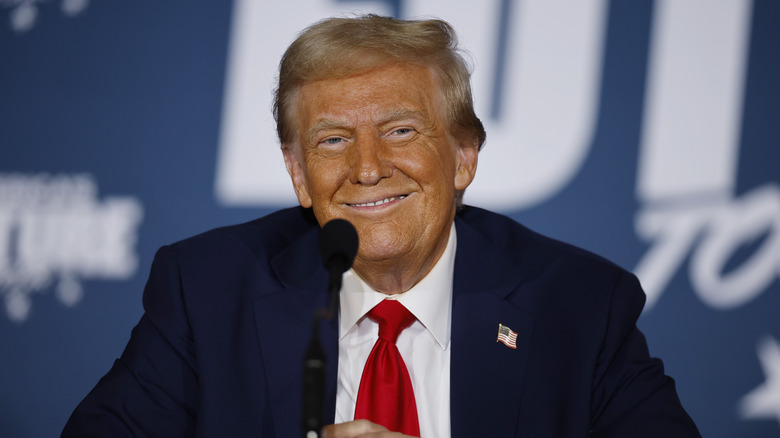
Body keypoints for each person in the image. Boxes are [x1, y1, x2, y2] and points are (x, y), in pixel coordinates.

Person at [63, 15, 701, 437]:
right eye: (333, 139)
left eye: (399, 131)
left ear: (463, 156)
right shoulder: (208, 289)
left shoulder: (580, 303)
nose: (367, 169)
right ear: (296, 172)